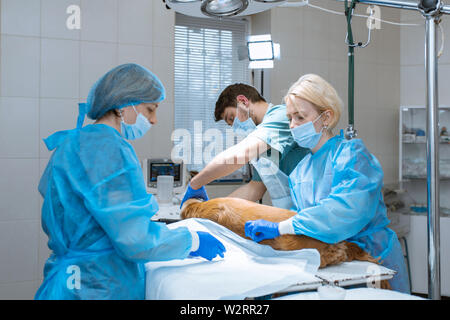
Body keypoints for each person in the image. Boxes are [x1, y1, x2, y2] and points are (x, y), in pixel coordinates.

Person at [35, 63, 225, 300]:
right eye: (150, 110)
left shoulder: (70, 143)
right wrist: (191, 240)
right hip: (99, 285)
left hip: (65, 283)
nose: (154, 120)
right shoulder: (111, 149)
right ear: (125, 106)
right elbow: (136, 240)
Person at [244, 74, 410, 293]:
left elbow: (344, 210)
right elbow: (301, 216)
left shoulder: (352, 156)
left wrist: (281, 227)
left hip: (373, 260)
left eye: (300, 117)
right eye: (290, 118)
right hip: (334, 263)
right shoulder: (301, 169)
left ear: (326, 117)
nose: (293, 125)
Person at [181, 83, 309, 210]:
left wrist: (195, 184)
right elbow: (254, 189)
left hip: (312, 208)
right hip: (295, 212)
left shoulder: (281, 116)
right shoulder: (262, 139)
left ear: (243, 101)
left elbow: (240, 155)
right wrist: (214, 211)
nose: (235, 126)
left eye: (232, 118)